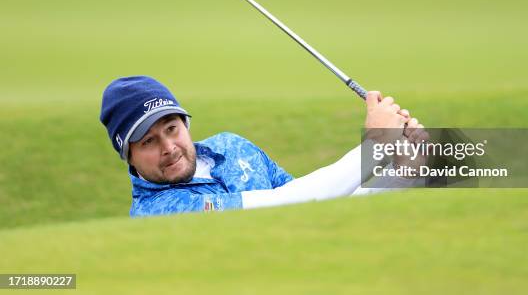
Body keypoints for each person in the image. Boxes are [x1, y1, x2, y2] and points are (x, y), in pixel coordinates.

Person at [100, 76, 426, 217]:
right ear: (128, 156)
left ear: (185, 124)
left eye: (171, 129)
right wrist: (376, 147)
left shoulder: (232, 146)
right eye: (149, 142)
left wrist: (401, 173)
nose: (169, 147)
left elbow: (314, 210)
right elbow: (282, 204)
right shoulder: (160, 210)